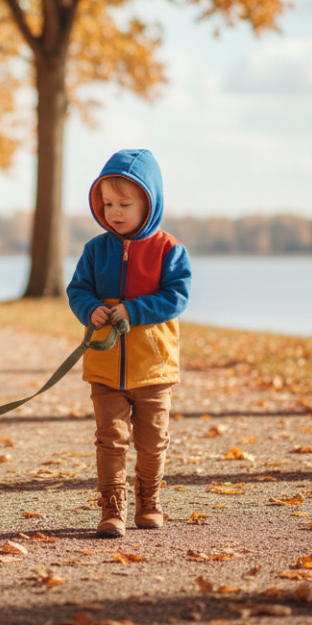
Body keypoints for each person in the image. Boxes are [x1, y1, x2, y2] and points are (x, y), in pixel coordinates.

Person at [67, 149, 191, 537]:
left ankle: (149, 500)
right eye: (107, 204)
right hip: (105, 368)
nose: (114, 212)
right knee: (110, 440)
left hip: (153, 368)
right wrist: (90, 309)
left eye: (124, 204)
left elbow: (177, 296)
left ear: (148, 204)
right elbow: (77, 290)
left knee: (152, 442)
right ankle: (111, 507)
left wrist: (134, 311)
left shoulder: (168, 250)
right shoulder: (95, 250)